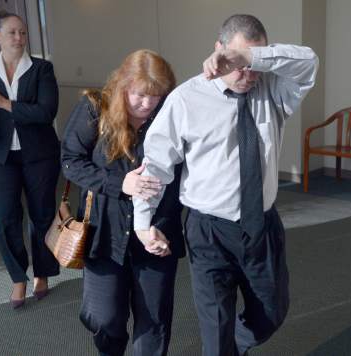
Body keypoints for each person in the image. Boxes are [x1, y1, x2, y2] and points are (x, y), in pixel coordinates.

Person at [133, 14, 319, 356]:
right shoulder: (186, 99)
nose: (247, 76)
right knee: (216, 337)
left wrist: (250, 58)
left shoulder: (273, 89)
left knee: (271, 315)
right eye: (236, 62)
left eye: (251, 64)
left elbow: (309, 61)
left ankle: (234, 344)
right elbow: (155, 166)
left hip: (261, 227)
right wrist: (143, 224)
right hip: (209, 232)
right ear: (217, 50)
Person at [61, 49, 185, 356]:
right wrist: (120, 184)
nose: (148, 104)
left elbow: (180, 174)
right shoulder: (95, 108)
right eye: (140, 95)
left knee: (154, 320)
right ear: (123, 85)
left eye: (156, 96)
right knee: (105, 318)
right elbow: (70, 161)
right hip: (105, 234)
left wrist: (159, 225)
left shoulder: (169, 114)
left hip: (156, 234)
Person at [0, 10, 60, 309]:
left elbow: (46, 113)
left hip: (40, 155)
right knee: (3, 217)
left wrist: (5, 103)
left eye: (22, 32)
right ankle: (18, 277)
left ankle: (43, 273)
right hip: (0, 156)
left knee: (42, 216)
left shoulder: (42, 69)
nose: (19, 38)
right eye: (12, 32)